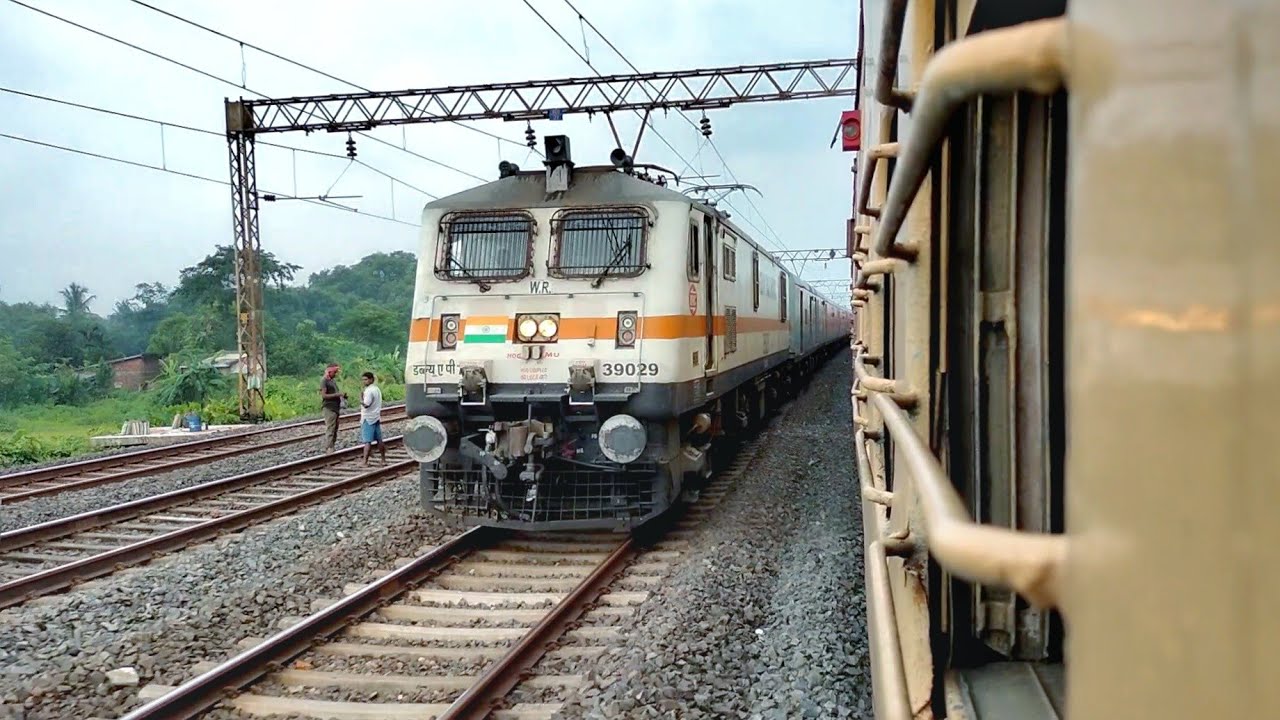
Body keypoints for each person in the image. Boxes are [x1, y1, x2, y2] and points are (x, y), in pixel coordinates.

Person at [359, 371, 386, 466]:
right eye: (363, 380)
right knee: (379, 440)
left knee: (367, 441)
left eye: (366, 379)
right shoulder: (377, 389)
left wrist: (361, 399)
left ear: (371, 379)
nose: (364, 381)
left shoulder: (369, 391)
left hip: (368, 418)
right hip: (376, 417)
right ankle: (383, 460)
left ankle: (364, 461)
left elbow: (366, 404)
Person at [319, 363, 346, 453]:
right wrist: (337, 395)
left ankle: (332, 446)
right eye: (334, 372)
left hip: (335, 407)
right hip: (329, 407)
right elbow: (324, 395)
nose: (335, 374)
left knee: (335, 428)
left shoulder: (332, 381)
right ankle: (329, 447)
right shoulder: (324, 381)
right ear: (330, 372)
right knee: (330, 427)